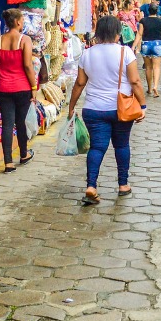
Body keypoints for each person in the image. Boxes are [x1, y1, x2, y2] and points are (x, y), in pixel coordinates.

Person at [67, 15, 147, 205]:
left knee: (97, 147)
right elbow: (135, 81)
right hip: (121, 109)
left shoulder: (87, 54)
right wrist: (143, 105)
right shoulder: (125, 52)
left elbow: (79, 83)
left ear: (99, 33)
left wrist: (71, 107)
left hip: (93, 109)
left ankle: (91, 186)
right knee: (121, 145)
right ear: (118, 33)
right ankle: (123, 185)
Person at [0, 7, 37, 173]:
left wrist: (1, 74)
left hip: (2, 88)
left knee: (7, 124)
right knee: (20, 122)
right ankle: (23, 154)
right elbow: (28, 65)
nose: (23, 23)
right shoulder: (25, 40)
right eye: (22, 21)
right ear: (17, 22)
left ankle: (8, 162)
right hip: (22, 88)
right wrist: (34, 87)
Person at [137, 3, 161, 98]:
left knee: (148, 67)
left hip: (146, 44)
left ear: (148, 11)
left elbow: (140, 33)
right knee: (157, 67)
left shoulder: (143, 21)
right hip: (157, 44)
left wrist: (135, 45)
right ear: (157, 11)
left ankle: (149, 88)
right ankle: (155, 86)